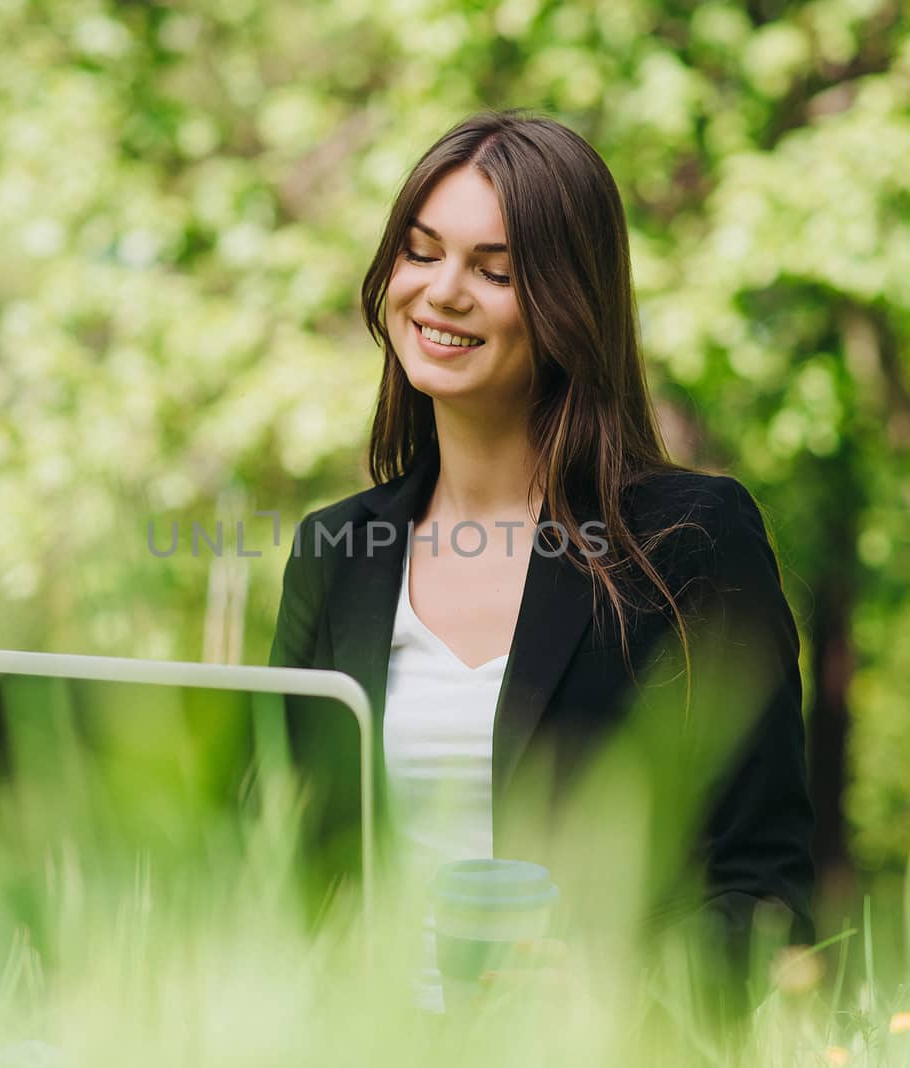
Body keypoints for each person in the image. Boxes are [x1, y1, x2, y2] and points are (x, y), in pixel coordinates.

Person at [266, 109, 815, 1016]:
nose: (443, 293)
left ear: (569, 303)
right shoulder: (337, 550)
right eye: (420, 252)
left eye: (496, 272)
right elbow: (274, 857)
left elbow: (766, 888)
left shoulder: (689, 540)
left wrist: (612, 992)